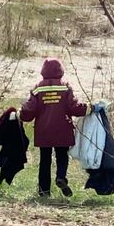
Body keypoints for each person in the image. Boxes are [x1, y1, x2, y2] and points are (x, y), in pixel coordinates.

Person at [19, 57, 88, 198]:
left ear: (43, 71)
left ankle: (44, 191)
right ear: (60, 71)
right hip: (63, 130)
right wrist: (88, 108)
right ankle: (61, 177)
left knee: (45, 160)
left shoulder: (37, 88)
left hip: (43, 131)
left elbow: (30, 110)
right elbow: (73, 107)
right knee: (62, 156)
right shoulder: (65, 87)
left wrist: (20, 114)